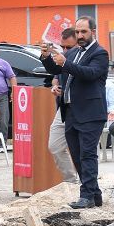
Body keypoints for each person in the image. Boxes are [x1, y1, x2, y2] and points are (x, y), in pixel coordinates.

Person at [41, 16, 110, 209]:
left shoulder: (100, 53)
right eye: (77, 32)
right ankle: (94, 195)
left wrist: (65, 63)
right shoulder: (73, 53)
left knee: (87, 155)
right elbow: (58, 70)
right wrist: (46, 57)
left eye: (84, 32)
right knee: (78, 155)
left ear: (93, 32)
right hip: (70, 111)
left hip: (90, 113)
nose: (80, 36)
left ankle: (86, 196)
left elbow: (89, 74)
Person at [47, 29, 80, 183]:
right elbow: (55, 78)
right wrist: (54, 88)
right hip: (63, 108)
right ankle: (70, 180)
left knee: (83, 150)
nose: (65, 51)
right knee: (54, 146)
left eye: (69, 47)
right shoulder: (61, 59)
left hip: (81, 109)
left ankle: (86, 181)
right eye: (63, 47)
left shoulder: (81, 58)